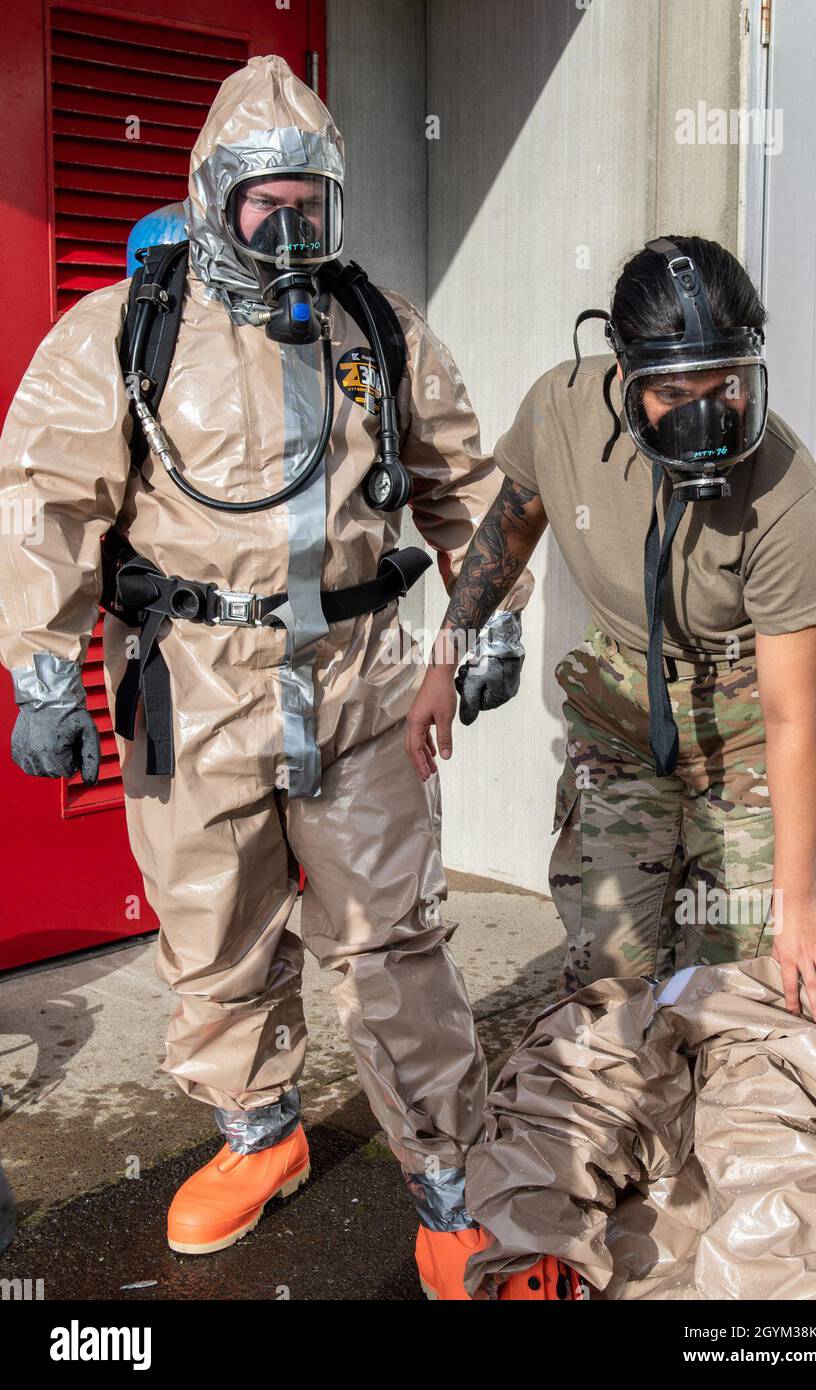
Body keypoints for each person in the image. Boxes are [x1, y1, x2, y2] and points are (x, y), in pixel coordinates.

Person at [0, 55, 532, 1298]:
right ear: (212, 197)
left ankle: (447, 1186)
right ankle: (259, 1131)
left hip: (361, 679)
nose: (293, 231)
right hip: (193, 684)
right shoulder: (120, 333)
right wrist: (37, 669)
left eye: (314, 206)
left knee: (393, 940)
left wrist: (482, 625)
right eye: (266, 206)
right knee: (214, 933)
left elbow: (470, 486)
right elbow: (46, 505)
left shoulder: (380, 328)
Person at [408, 234, 816, 1037]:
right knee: (607, 975)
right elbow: (507, 532)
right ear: (623, 377)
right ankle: (618, 1134)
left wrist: (796, 902)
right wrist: (444, 659)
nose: (709, 414)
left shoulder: (787, 490)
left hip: (751, 719)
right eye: (675, 393)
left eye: (728, 386)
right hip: (623, 709)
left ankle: (721, 1143)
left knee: (744, 984)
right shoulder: (561, 409)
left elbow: (793, 716)